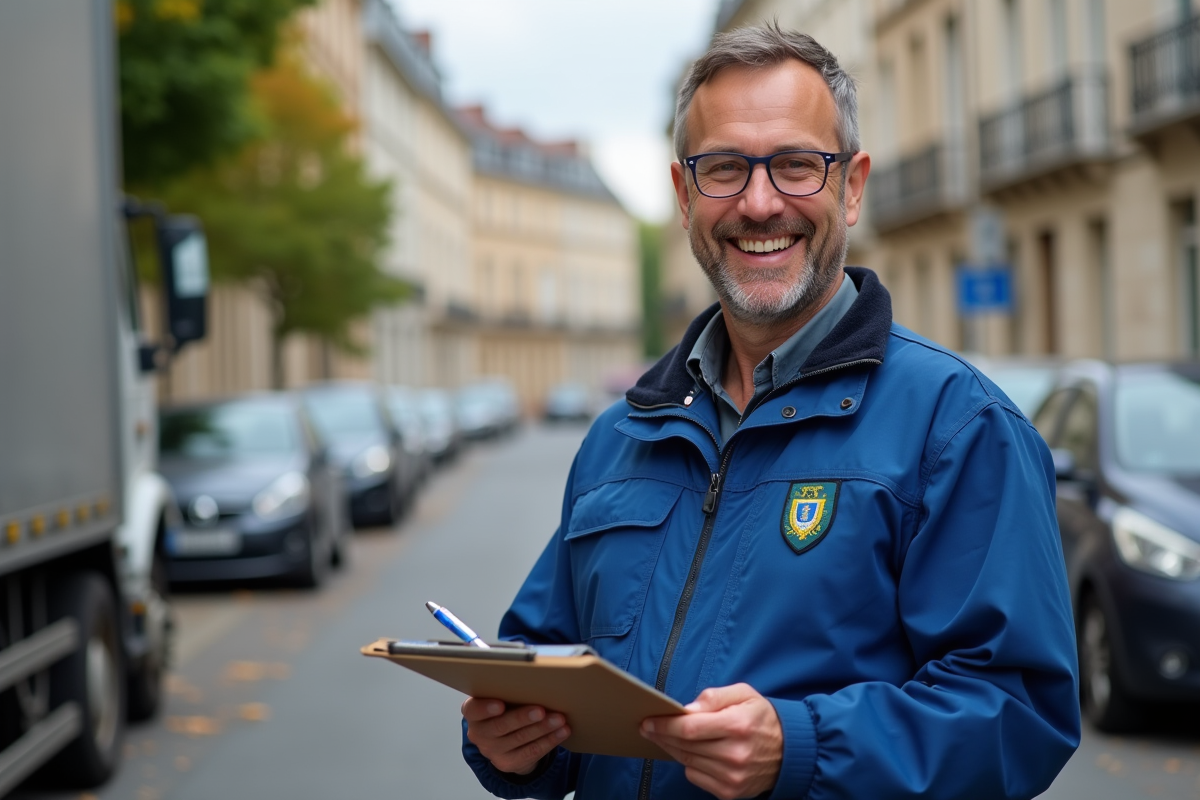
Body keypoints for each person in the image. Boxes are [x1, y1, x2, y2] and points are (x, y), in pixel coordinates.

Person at [461, 22, 1080, 800]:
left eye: (795, 166)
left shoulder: (957, 426)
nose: (759, 204)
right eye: (723, 169)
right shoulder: (623, 436)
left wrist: (804, 747)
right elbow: (543, 658)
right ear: (685, 197)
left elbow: (1017, 715)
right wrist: (513, 744)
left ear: (850, 187)